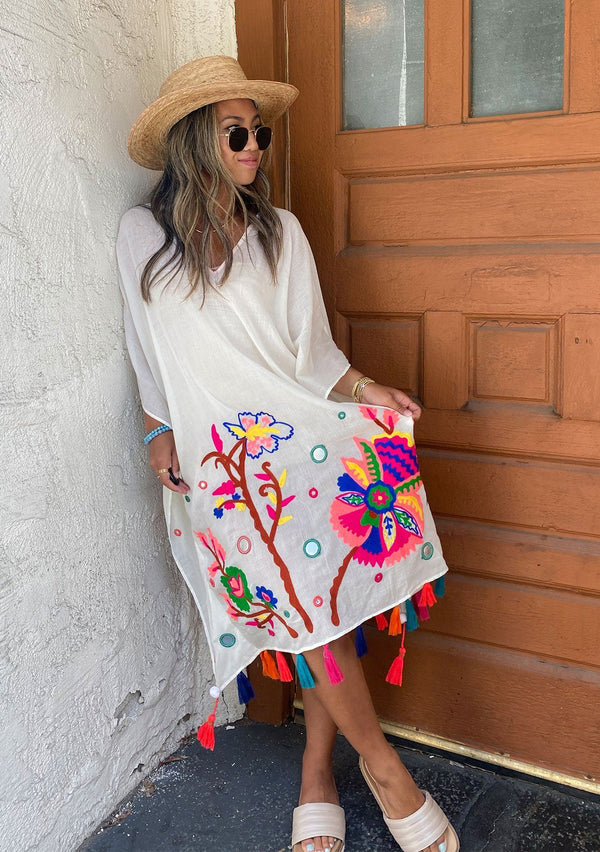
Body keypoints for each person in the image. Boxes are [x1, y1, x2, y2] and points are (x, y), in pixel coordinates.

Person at [118, 55, 459, 852]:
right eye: (238, 131)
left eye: (259, 131)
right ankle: (381, 766)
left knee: (319, 604)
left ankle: (324, 775)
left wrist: (369, 390)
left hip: (297, 442)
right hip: (225, 464)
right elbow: (145, 351)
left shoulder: (281, 231)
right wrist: (154, 429)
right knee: (297, 609)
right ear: (198, 137)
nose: (255, 145)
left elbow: (316, 356)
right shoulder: (143, 234)